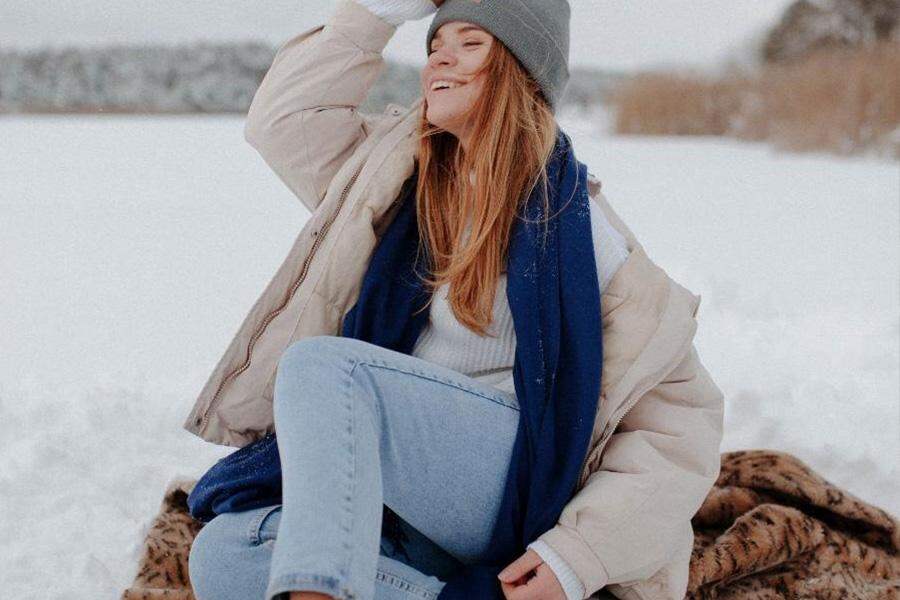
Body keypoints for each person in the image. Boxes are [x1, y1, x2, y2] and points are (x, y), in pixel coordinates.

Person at [184, 1, 725, 600]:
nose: (440, 55)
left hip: (516, 485)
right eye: (436, 44)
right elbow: (283, 122)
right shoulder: (388, 182)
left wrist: (577, 556)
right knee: (228, 553)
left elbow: (682, 421)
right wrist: (376, 11)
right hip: (412, 497)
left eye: (470, 44)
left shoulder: (579, 228)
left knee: (324, 368)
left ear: (522, 73)